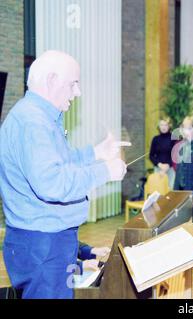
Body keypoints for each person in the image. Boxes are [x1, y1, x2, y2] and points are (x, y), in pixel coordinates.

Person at [0, 50, 129, 299]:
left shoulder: (38, 118)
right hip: (44, 245)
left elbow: (61, 163)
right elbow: (52, 183)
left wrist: (96, 153)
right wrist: (106, 171)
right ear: (51, 81)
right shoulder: (33, 122)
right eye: (73, 84)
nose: (77, 92)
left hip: (47, 243)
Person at [172, 116, 193, 231]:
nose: (187, 131)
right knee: (182, 222)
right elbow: (179, 171)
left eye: (190, 128)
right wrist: (175, 191)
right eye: (184, 128)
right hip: (181, 189)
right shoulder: (181, 145)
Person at [149, 117, 177, 189]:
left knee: (170, 192)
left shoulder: (174, 138)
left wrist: (167, 165)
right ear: (159, 126)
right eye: (162, 125)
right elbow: (151, 156)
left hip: (170, 169)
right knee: (158, 192)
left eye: (166, 125)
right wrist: (159, 164)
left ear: (169, 126)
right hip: (158, 169)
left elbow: (176, 155)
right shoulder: (155, 139)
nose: (163, 127)